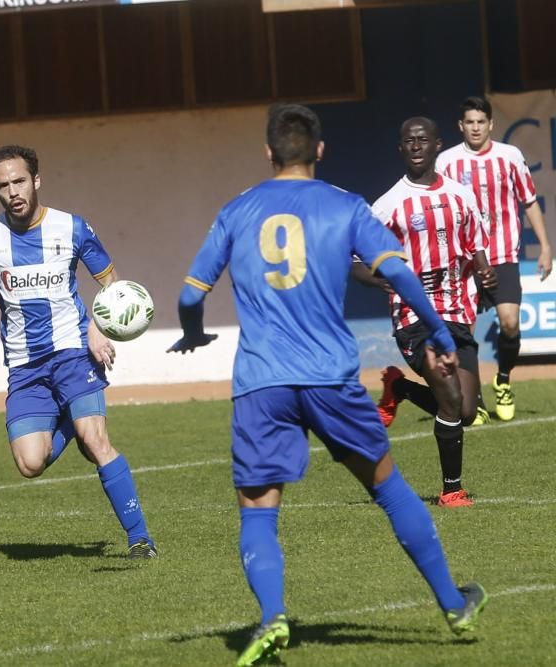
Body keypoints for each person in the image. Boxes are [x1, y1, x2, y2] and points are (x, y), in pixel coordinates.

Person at [169, 105, 487, 666]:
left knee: (258, 510)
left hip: (261, 382)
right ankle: (453, 604)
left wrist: (194, 335)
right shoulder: (346, 206)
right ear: (319, 150)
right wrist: (437, 329)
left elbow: (192, 295)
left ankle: (271, 618)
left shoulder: (238, 210)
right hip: (329, 376)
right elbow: (397, 271)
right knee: (388, 488)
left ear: (268, 154)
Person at [0, 144, 157, 559]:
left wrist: (96, 327)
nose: (13, 191)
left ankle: (140, 539)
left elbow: (113, 285)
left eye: (19, 181)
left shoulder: (73, 228)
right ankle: (69, 420)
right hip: (23, 365)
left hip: (73, 351)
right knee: (30, 463)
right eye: (3, 186)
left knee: (97, 442)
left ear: (36, 180)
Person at [367, 116, 496, 508]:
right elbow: (356, 261)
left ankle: (400, 388)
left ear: (439, 145)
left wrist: (485, 270)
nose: (417, 146)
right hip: (414, 318)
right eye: (409, 141)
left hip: (457, 312)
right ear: (401, 148)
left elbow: (475, 246)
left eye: (423, 140)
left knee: (467, 409)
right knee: (449, 392)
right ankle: (451, 490)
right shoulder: (387, 206)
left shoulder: (462, 196)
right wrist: (379, 278)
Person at [438, 95, 552, 423]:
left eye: (480, 122)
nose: (475, 128)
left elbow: (529, 201)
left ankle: (503, 379)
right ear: (461, 126)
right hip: (464, 261)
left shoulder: (510, 156)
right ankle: (473, 400)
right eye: (469, 122)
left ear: (491, 124)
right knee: (464, 333)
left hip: (502, 255)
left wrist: (545, 245)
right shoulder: (446, 162)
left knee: (510, 323)